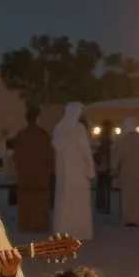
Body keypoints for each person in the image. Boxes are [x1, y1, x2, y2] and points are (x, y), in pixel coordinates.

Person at [52, 102, 95, 241]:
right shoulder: (78, 129)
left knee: (64, 202)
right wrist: (90, 169)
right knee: (78, 203)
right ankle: (79, 231)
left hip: (64, 174)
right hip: (78, 174)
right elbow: (85, 152)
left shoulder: (58, 129)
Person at [12, 107, 55, 232]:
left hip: (24, 176)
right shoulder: (42, 135)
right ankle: (39, 225)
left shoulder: (21, 135)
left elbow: (16, 155)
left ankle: (26, 225)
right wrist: (51, 170)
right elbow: (49, 155)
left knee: (25, 201)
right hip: (40, 176)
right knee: (40, 202)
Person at [112, 118, 139, 227]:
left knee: (128, 197)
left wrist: (114, 169)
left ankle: (130, 219)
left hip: (126, 172)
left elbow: (116, 157)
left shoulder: (122, 140)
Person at [95, 122, 114, 213]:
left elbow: (98, 156)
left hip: (102, 168)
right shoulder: (109, 143)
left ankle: (101, 205)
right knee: (105, 188)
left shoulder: (102, 142)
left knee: (102, 188)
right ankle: (105, 206)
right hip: (106, 167)